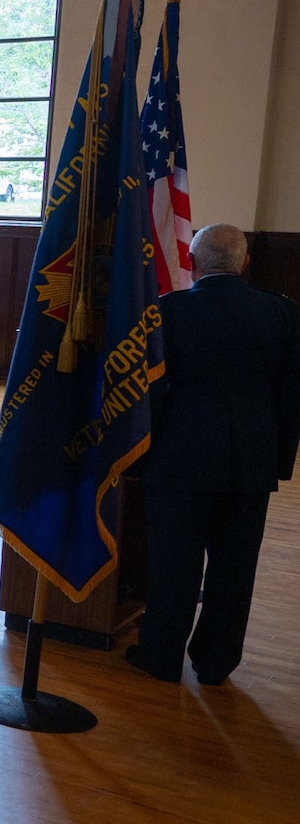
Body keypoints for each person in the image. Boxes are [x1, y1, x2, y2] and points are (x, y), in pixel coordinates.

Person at [127, 225, 300, 686]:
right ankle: (216, 662)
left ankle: (160, 656)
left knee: (173, 565)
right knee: (234, 569)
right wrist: (279, 461)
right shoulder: (283, 315)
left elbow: (153, 393)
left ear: (192, 262)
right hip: (251, 463)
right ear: (245, 264)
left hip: (178, 459)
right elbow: (291, 397)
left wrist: (143, 456)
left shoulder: (169, 311)